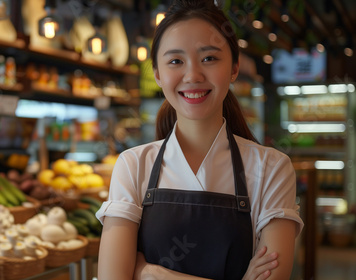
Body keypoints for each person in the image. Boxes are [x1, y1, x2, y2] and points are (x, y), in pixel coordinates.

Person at [95, 0, 304, 279]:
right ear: (157, 74)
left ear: (233, 68)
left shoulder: (272, 168)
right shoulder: (133, 165)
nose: (192, 75)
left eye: (209, 58)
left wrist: (152, 273)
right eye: (175, 61)